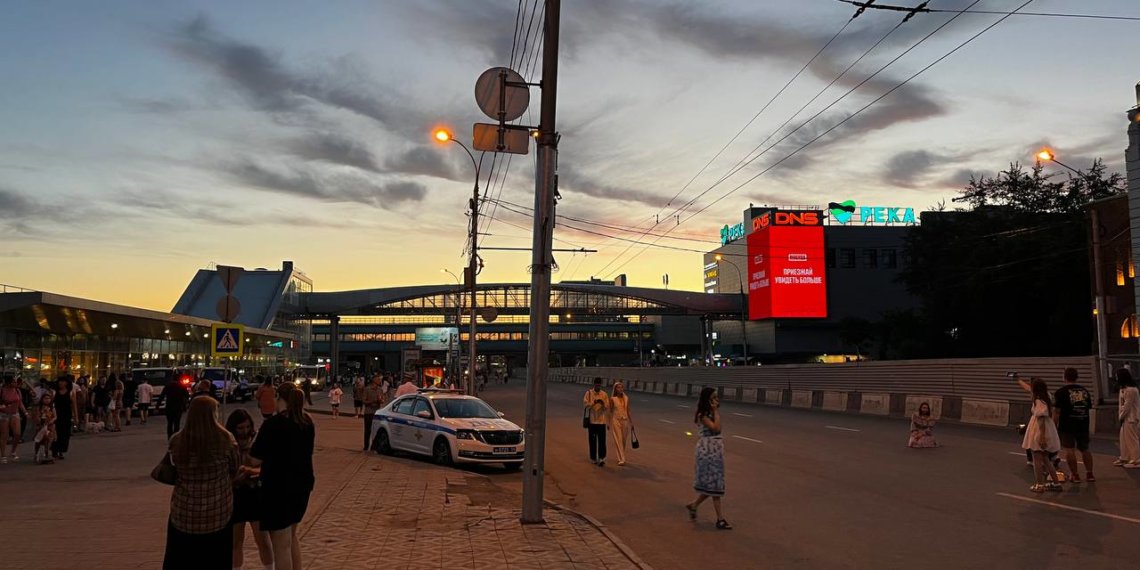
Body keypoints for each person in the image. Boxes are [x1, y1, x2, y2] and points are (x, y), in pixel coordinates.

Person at [163, 397, 239, 570]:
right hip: (218, 513)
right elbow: (234, 468)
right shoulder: (226, 440)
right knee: (216, 560)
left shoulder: (177, 441)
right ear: (213, 414)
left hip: (184, 513)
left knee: (182, 560)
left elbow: (172, 468)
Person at [249, 384, 315, 570]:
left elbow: (254, 459)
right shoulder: (306, 421)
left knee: (281, 545)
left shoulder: (273, 424)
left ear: (279, 397)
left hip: (277, 487)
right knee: (291, 537)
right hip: (302, 484)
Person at [225, 409, 274, 570]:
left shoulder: (257, 441)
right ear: (233, 428)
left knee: (263, 539)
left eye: (247, 427)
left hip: (255, 494)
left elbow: (268, 467)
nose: (244, 432)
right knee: (235, 541)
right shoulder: (228, 444)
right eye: (240, 428)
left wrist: (253, 471)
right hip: (235, 495)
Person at [686, 387, 731, 529]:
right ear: (707, 399)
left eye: (717, 397)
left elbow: (719, 428)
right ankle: (720, 519)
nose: (716, 400)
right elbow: (716, 428)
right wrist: (715, 411)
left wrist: (715, 411)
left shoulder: (711, 413)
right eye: (713, 398)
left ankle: (694, 506)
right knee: (714, 485)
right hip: (707, 451)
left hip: (715, 450)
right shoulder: (702, 415)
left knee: (713, 485)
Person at [1017, 376, 1063, 492]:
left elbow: (1041, 418)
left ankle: (1039, 485)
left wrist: (1041, 436)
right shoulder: (1046, 396)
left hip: (1039, 428)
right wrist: (1018, 380)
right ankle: (1056, 483)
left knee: (1037, 457)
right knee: (1046, 458)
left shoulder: (1038, 400)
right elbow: (1028, 388)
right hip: (1047, 427)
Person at [1053, 368, 1095, 481]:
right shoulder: (1084, 391)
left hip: (1067, 425)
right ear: (1077, 377)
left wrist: (1054, 426)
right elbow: (1088, 409)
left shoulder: (1060, 392)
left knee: (1069, 449)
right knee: (1085, 449)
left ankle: (1075, 475)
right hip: (1082, 424)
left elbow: (1057, 412)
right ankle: (1090, 474)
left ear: (1064, 377)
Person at [1115, 368, 1140, 468]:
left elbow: (1127, 406)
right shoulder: (1123, 389)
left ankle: (1136, 460)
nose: (1116, 378)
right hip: (1126, 418)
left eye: (1117, 376)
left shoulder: (1131, 390)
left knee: (1132, 439)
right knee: (1124, 439)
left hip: (1132, 418)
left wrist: (1121, 417)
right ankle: (1124, 457)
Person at [583, 378, 610, 466]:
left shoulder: (604, 394)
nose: (598, 386)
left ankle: (601, 458)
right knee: (592, 440)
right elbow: (585, 405)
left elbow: (607, 406)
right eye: (596, 385)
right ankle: (593, 457)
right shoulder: (589, 393)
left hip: (601, 421)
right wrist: (593, 402)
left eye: (599, 385)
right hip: (592, 421)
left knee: (602, 441)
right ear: (594, 384)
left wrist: (602, 403)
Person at [1, 375, 28, 463]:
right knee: (4, 435)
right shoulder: (1, 390)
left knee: (17, 434)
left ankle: (13, 451)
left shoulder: (17, 390)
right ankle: (3, 455)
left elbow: (20, 403)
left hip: (15, 414)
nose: (16, 383)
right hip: (4, 414)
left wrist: (25, 413)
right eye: (14, 382)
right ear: (8, 382)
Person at [609, 381, 634, 466]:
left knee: (623, 440)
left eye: (621, 387)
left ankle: (621, 455)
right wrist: (609, 423)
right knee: (618, 439)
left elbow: (628, 410)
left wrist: (631, 422)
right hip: (616, 421)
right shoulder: (613, 399)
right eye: (618, 387)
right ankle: (622, 458)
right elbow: (610, 411)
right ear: (615, 389)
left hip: (625, 421)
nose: (620, 389)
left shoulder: (626, 398)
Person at [51, 376, 76, 460]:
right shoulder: (55, 392)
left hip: (66, 416)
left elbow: (74, 406)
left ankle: (61, 450)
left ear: (67, 383)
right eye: (59, 381)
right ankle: (55, 450)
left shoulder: (71, 392)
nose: (60, 383)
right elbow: (51, 404)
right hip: (56, 416)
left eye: (63, 381)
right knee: (55, 433)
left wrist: (76, 417)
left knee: (64, 434)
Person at [32, 392, 56, 464]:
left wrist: (51, 421)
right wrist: (40, 421)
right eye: (45, 398)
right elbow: (36, 417)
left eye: (48, 398)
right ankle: (36, 453)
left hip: (50, 426)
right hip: (41, 426)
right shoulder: (39, 408)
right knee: (39, 441)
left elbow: (55, 416)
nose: (47, 400)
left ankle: (46, 454)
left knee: (48, 440)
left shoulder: (52, 407)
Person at [362, 376, 385, 451]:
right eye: (378, 379)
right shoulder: (367, 389)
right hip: (368, 412)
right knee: (367, 430)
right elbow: (364, 401)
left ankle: (374, 446)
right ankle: (366, 446)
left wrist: (380, 400)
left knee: (376, 430)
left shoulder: (380, 390)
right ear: (374, 380)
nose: (379, 381)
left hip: (376, 413)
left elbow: (382, 400)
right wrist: (372, 401)